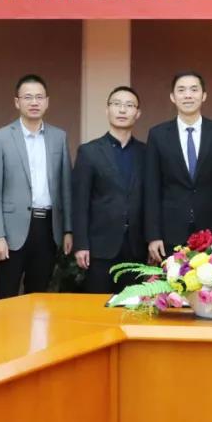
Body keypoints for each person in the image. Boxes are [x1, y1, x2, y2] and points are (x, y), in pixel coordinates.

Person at [0, 74, 73, 299]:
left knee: (39, 296)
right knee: (6, 295)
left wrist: (68, 230)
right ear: (17, 102)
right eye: (28, 97)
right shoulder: (1, 138)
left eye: (39, 97)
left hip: (48, 228)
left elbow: (66, 188)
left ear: (47, 102)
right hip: (12, 231)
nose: (34, 102)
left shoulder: (59, 137)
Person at [144, 70, 212, 263]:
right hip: (170, 230)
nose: (188, 95)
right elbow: (152, 188)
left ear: (204, 95)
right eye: (181, 90)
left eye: (194, 90)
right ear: (172, 97)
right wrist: (153, 235)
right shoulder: (157, 135)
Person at [71, 86, 147, 294]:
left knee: (134, 306)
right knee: (97, 306)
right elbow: (80, 203)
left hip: (136, 247)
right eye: (117, 104)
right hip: (100, 248)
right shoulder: (89, 152)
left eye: (129, 105)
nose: (122, 110)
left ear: (137, 113)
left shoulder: (146, 153)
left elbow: (151, 200)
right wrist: (81, 244)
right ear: (107, 110)